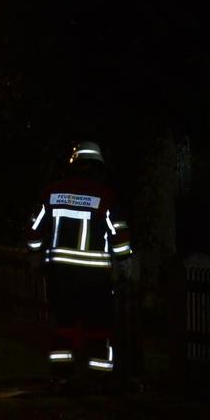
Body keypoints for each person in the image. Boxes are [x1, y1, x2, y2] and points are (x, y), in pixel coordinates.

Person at [27, 141, 135, 376]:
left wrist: (35, 254)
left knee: (63, 326)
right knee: (98, 328)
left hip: (59, 275)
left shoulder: (52, 193)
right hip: (96, 278)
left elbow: (34, 231)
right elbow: (120, 235)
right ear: (98, 167)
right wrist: (124, 265)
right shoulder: (106, 196)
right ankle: (100, 377)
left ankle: (61, 377)